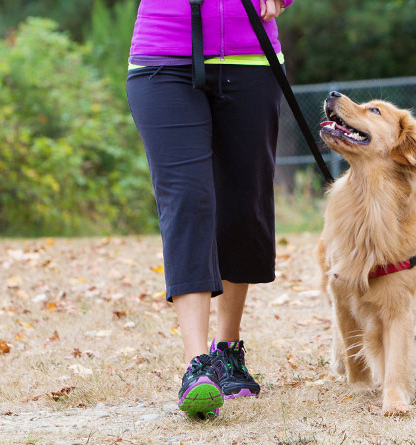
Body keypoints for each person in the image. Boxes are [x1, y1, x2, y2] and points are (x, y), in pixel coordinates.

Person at [125, 0, 291, 419]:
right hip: (163, 55)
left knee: (242, 202)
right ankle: (197, 366)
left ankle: (227, 351)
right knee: (187, 201)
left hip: (250, 54)